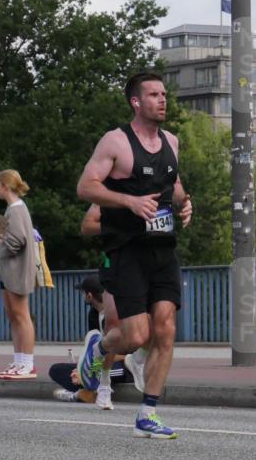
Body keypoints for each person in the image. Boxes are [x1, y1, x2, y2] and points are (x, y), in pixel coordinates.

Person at [76, 71, 192, 439]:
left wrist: (185, 204)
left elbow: (173, 185)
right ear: (136, 102)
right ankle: (100, 346)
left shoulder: (172, 141)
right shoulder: (116, 142)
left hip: (162, 250)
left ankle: (148, 412)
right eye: (154, 95)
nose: (162, 100)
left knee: (166, 329)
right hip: (126, 251)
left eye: (164, 94)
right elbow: (86, 186)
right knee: (135, 336)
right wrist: (128, 200)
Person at [80, 204, 149, 394]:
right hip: (117, 265)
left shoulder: (152, 190)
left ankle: (132, 363)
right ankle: (101, 383)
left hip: (144, 266)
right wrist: (120, 227)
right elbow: (87, 225)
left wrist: (185, 204)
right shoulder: (109, 196)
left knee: (158, 322)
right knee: (113, 329)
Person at [0, 169, 38, 380]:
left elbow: (17, 241)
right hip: (8, 271)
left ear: (5, 186)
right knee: (13, 317)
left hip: (17, 271)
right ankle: (19, 360)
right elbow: (12, 234)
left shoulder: (16, 210)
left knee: (21, 316)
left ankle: (27, 364)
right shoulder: (12, 209)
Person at [48, 272, 142, 408]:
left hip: (125, 366)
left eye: (83, 293)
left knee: (91, 373)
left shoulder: (120, 314)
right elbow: (96, 348)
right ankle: (86, 391)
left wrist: (88, 371)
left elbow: (127, 354)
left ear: (89, 295)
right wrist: (83, 369)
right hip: (100, 363)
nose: (82, 296)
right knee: (56, 370)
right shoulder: (93, 315)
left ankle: (82, 393)